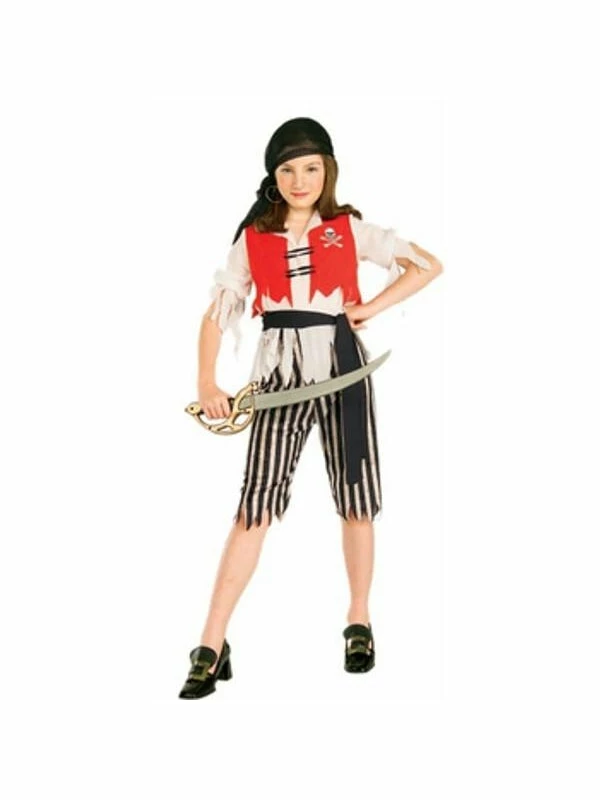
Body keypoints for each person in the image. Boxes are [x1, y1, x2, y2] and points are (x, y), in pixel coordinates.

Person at [178, 117, 443, 699]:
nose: (300, 180)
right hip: (279, 379)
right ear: (274, 177)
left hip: (344, 369)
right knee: (255, 505)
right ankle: (211, 642)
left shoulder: (349, 230)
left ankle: (358, 620)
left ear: (327, 171)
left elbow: (427, 265)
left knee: (356, 496)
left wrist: (370, 308)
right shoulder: (253, 240)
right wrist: (207, 380)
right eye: (288, 169)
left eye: (311, 168)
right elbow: (217, 313)